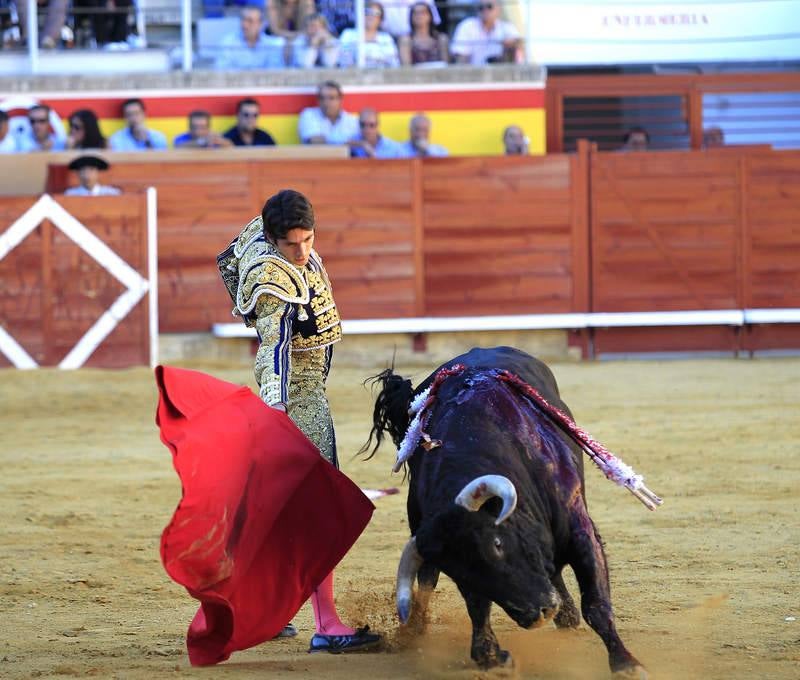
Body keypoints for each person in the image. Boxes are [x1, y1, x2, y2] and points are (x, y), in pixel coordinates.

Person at [216, 188, 383, 654]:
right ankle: (327, 624)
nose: (304, 252)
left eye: (309, 239)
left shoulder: (262, 238)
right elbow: (274, 353)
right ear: (274, 240)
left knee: (276, 515)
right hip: (298, 404)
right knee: (320, 514)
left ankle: (252, 612)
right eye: (292, 245)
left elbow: (227, 257)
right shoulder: (274, 286)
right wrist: (276, 413)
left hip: (299, 399)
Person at [450, 1, 523, 66]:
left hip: (500, 75)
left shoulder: (506, 27)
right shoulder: (467, 26)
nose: (485, 10)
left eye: (489, 6)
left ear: (498, 8)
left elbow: (519, 45)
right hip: (473, 76)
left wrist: (510, 44)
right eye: (481, 7)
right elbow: (460, 58)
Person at [215, 5, 285, 70]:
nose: (244, 25)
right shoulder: (228, 42)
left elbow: (275, 71)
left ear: (260, 24)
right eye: (243, 20)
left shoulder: (271, 45)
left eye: (250, 21)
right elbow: (221, 71)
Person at [338, 2, 399, 68]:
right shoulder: (348, 35)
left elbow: (394, 65)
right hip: (352, 76)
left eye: (376, 13)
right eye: (367, 12)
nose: (371, 16)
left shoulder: (386, 38)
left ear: (381, 20)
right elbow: (343, 62)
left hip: (381, 76)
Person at [298, 81, 359, 145]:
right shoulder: (308, 115)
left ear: (341, 100)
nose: (326, 103)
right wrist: (346, 142)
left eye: (331, 98)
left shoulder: (352, 121)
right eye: (322, 98)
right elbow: (313, 141)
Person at [398, 2, 449, 66]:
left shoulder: (441, 38)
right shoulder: (406, 40)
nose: (419, 16)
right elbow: (406, 66)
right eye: (415, 13)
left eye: (423, 12)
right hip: (414, 75)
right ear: (411, 17)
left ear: (430, 16)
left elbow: (446, 65)